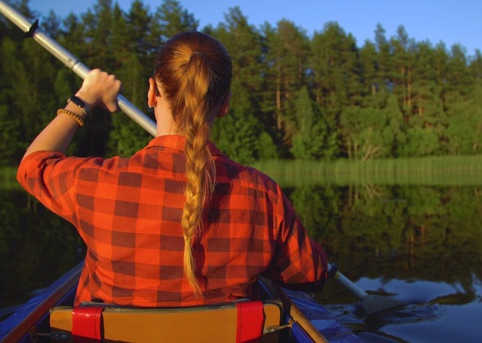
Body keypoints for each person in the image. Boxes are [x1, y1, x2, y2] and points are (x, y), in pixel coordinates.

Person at [17, 31, 328, 307]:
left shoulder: (97, 184)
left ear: (152, 92)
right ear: (224, 105)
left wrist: (84, 98)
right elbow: (310, 275)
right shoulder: (261, 193)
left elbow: (33, 166)